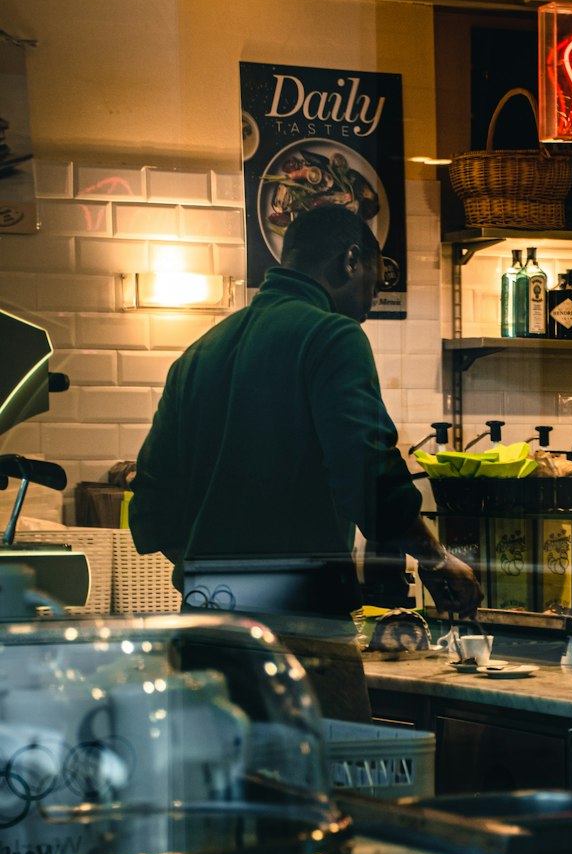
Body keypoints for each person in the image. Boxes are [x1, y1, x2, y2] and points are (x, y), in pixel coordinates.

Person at [129, 204, 481, 722]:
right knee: (331, 793)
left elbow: (152, 506)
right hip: (301, 637)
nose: (370, 300)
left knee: (226, 794)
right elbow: (369, 476)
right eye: (374, 280)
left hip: (204, 635)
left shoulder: (196, 356)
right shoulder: (333, 338)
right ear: (350, 261)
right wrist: (435, 560)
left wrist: (216, 574)